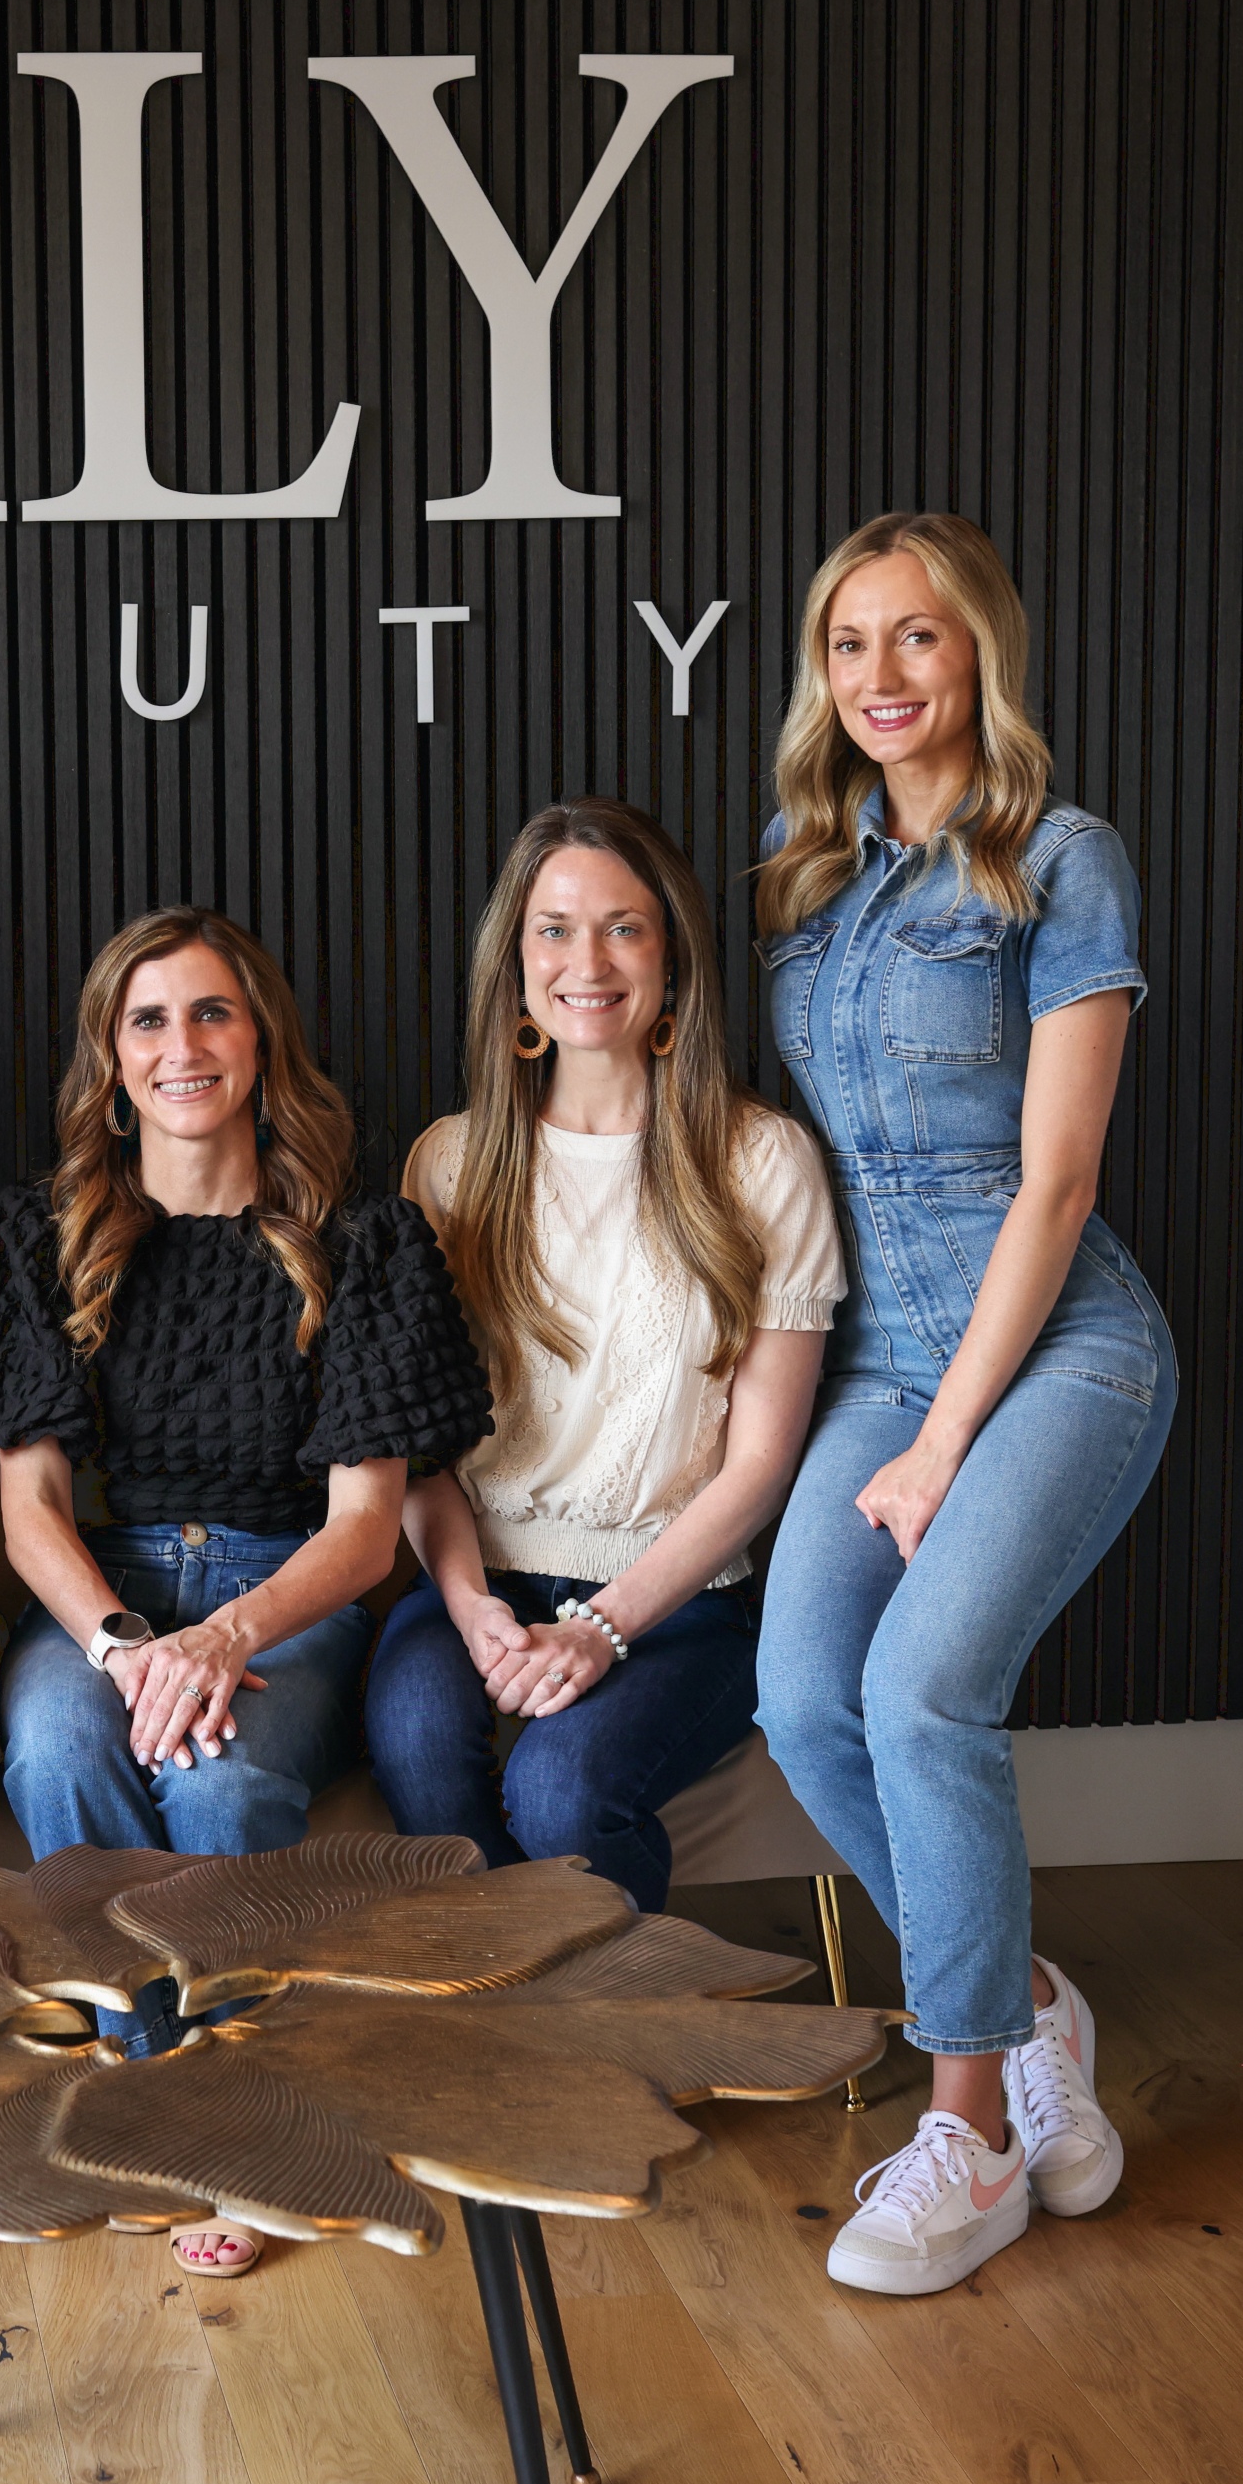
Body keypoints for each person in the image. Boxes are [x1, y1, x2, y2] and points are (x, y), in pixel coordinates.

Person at [747, 512, 1175, 2300]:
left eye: (917, 640)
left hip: (1058, 1345)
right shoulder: (805, 866)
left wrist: (942, 1440)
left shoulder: (1062, 861)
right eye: (850, 646)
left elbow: (1056, 1184)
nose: (882, 679)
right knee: (799, 1697)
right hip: (878, 1351)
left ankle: (976, 2130)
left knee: (927, 1691)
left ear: (980, 655)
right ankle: (1030, 2005)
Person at [0, 907, 489, 2280]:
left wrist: (226, 1634)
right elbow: (32, 1509)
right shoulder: (39, 1241)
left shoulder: (364, 1246)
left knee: (227, 1786)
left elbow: (367, 1531)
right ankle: (150, 2081)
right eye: (148, 1021)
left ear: (262, 1040)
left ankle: (233, 2110)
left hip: (286, 1592)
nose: (183, 1046)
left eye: (211, 1013)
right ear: (110, 1065)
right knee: (65, 1743)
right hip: (100, 1597)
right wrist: (131, 1648)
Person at [369, 798, 841, 1909]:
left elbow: (760, 1465)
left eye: (624, 927)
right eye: (554, 927)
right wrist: (473, 1599)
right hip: (468, 1575)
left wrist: (599, 1625)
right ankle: (505, 2030)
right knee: (416, 1728)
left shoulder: (762, 1161)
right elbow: (418, 1443)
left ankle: (609, 2041)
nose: (587, 959)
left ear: (672, 960)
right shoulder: (449, 1164)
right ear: (516, 964)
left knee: (565, 1789)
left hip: (681, 1598)